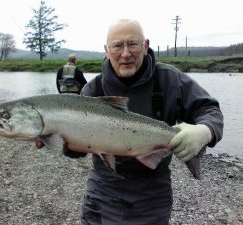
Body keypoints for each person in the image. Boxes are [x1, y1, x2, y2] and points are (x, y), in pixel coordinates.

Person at [64, 19, 223, 225]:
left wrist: (205, 130)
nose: (126, 53)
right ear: (107, 50)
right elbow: (79, 150)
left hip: (153, 192)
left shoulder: (170, 79)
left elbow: (209, 109)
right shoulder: (93, 90)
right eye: (117, 45)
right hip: (104, 189)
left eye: (133, 44)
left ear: (145, 46)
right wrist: (59, 138)